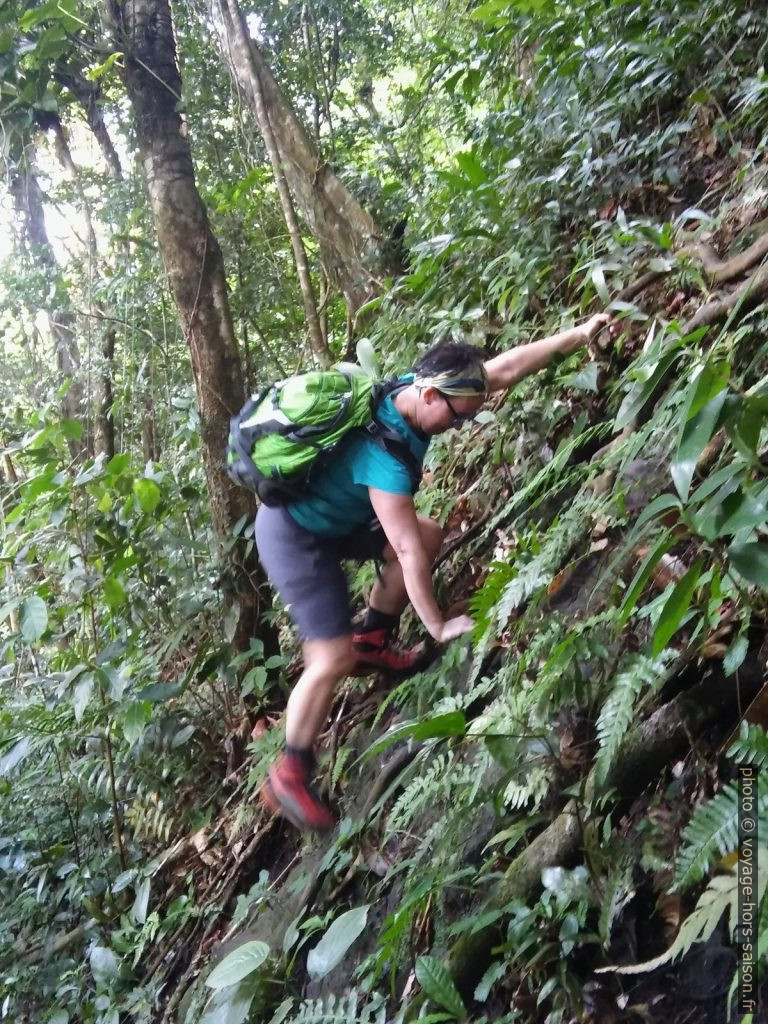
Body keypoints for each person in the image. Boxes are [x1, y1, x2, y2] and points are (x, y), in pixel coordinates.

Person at [256, 313, 612, 829]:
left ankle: (374, 641)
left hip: (341, 515)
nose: (460, 426)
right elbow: (404, 551)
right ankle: (289, 774)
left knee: (429, 534)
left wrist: (579, 334)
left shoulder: (417, 388)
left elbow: (505, 368)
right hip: (294, 533)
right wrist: (438, 626)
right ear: (429, 396)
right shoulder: (386, 457)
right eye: (458, 419)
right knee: (331, 656)